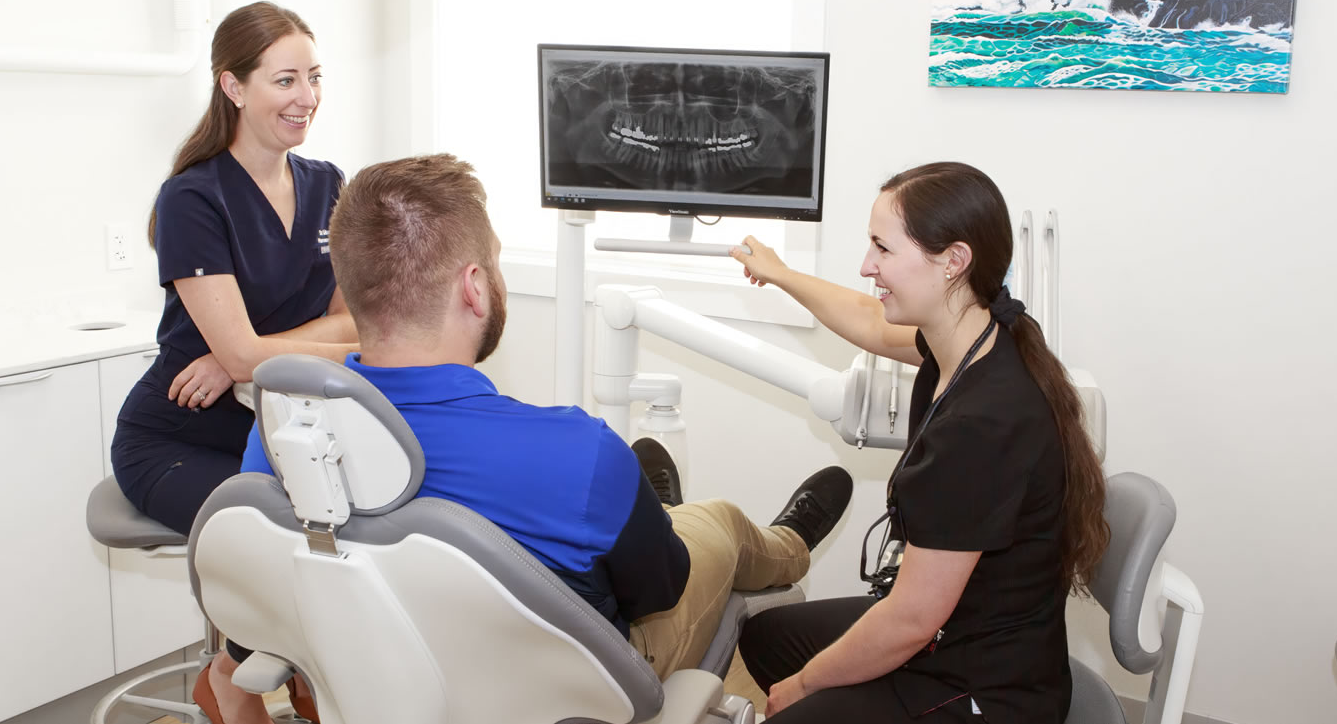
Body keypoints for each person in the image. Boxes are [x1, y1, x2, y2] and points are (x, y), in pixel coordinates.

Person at [236, 153, 855, 684]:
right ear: (474, 287)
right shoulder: (577, 451)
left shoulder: (288, 434)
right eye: (498, 265)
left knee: (634, 513)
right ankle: (784, 544)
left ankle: (648, 513)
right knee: (714, 525)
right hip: (573, 690)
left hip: (381, 677)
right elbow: (660, 595)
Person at [728, 161, 1109, 724]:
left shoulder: (982, 424)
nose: (866, 266)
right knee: (768, 638)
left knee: (794, 700)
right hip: (951, 632)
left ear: (953, 261)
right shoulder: (976, 336)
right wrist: (782, 274)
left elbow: (910, 620)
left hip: (985, 687)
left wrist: (804, 686)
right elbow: (867, 319)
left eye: (883, 249)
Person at [108, 1, 357, 724]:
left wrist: (240, 356)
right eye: (285, 79)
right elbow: (272, 343)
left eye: (313, 76)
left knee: (348, 531)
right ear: (234, 86)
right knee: (285, 537)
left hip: (278, 433)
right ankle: (236, 677)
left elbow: (351, 322)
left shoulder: (328, 183)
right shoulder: (194, 195)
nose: (306, 96)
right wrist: (237, 353)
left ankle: (281, 675)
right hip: (179, 439)